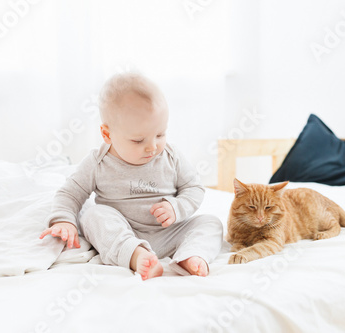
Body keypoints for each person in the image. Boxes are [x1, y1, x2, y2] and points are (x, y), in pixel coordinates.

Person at [39, 72, 223, 280]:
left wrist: (176, 207)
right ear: (107, 134)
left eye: (160, 134)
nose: (152, 147)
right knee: (93, 215)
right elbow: (70, 193)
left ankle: (191, 256)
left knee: (211, 222)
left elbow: (194, 188)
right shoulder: (98, 163)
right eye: (138, 140)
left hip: (169, 233)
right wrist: (64, 221)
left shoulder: (171, 156)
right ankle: (136, 256)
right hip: (123, 232)